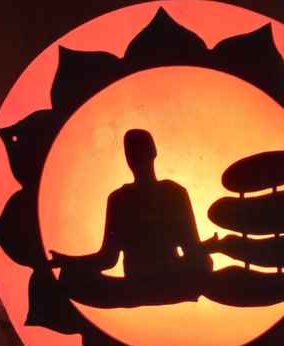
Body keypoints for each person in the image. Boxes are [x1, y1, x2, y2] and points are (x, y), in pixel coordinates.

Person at [50, 129, 214, 307]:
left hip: (162, 279)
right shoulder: (120, 198)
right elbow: (108, 258)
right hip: (146, 282)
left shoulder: (174, 192)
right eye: (131, 151)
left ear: (153, 151)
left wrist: (210, 248)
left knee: (203, 263)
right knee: (70, 276)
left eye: (138, 149)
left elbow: (191, 250)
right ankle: (151, 292)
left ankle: (145, 293)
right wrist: (69, 262)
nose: (135, 156)